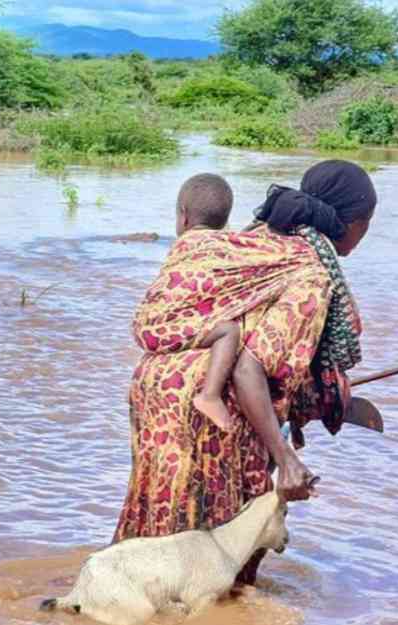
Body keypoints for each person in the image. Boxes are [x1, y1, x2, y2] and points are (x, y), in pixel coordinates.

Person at [117, 160, 375, 584]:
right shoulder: (310, 273)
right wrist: (286, 458)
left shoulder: (252, 241)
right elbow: (249, 369)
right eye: (366, 222)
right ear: (352, 223)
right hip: (210, 416)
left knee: (153, 533)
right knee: (220, 557)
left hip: (155, 393)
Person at [137, 174, 269, 433]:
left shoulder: (183, 246)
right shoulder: (226, 247)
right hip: (162, 332)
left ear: (183, 216)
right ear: (225, 221)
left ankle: (208, 397)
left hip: (150, 331)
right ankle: (210, 395)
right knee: (229, 330)